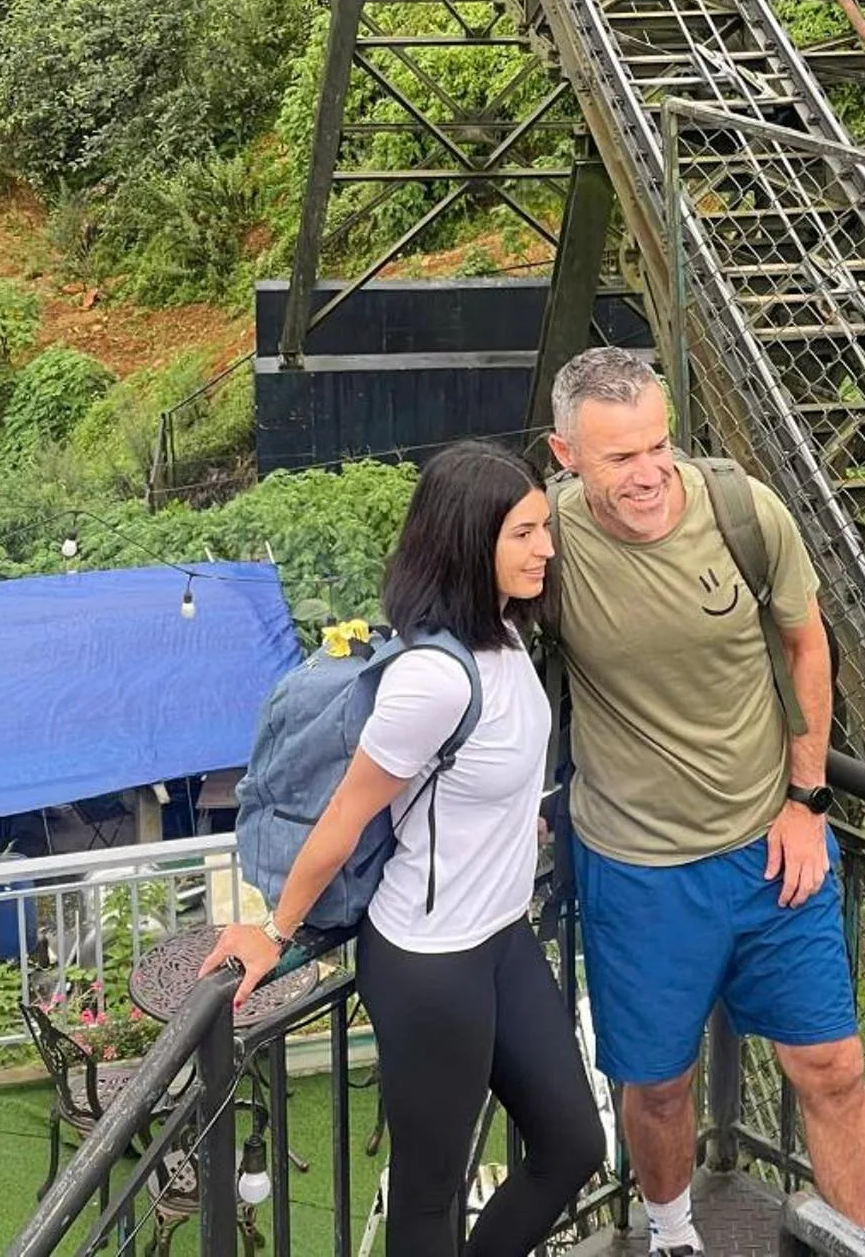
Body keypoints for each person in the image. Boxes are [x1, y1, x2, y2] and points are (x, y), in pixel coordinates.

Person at [202, 443, 604, 1257]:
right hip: (429, 962)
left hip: (499, 935)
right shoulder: (435, 679)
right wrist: (272, 933)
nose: (546, 548)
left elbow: (484, 771)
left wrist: (518, 820)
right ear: (468, 541)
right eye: (524, 533)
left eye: (543, 529)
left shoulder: (502, 633)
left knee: (572, 1148)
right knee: (427, 1204)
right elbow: (345, 818)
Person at [545, 346, 865, 1257]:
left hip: (769, 848)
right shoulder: (549, 541)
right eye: (621, 457)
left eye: (660, 445)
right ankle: (672, 1236)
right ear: (565, 455)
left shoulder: (743, 513)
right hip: (638, 869)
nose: (652, 473)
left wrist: (808, 798)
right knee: (659, 1082)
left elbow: (809, 647)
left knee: (834, 1066)